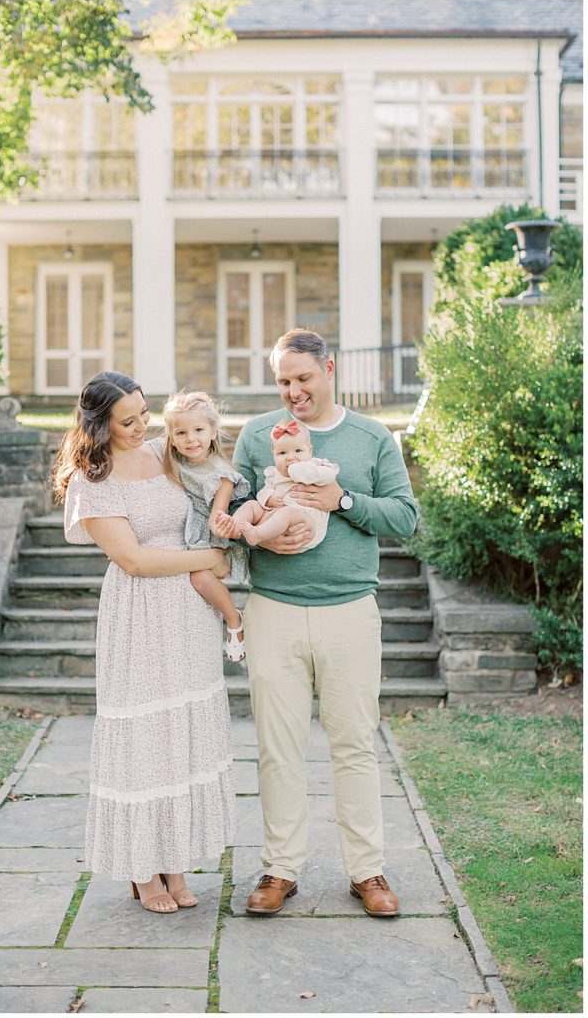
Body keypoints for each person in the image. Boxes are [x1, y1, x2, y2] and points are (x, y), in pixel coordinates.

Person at [227, 329, 418, 917]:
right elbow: (232, 508)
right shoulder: (259, 435)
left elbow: (406, 518)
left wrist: (342, 501)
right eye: (283, 381)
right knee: (276, 747)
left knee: (354, 744)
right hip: (274, 611)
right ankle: (280, 870)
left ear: (329, 369)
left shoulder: (371, 437)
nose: (293, 392)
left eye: (303, 378)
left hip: (349, 612)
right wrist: (257, 526)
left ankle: (368, 872)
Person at [52, 371, 235, 914]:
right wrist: (208, 559)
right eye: (127, 421)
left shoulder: (165, 451)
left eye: (144, 414)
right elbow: (132, 559)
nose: (141, 427)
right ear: (99, 425)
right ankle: (140, 869)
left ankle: (173, 859)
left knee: (182, 732)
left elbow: (221, 472)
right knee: (145, 734)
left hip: (189, 614)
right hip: (139, 613)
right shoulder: (94, 478)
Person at [163, 389, 250, 662]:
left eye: (199, 430)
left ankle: (234, 620)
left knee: (199, 577)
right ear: (172, 438)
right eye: (181, 433)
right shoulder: (170, 461)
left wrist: (221, 526)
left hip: (212, 536)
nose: (191, 439)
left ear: (213, 431)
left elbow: (217, 515)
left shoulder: (221, 473)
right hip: (182, 529)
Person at [215, 418, 339, 550]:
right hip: (274, 517)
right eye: (282, 453)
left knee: (288, 512)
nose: (290, 457)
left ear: (309, 451)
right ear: (273, 455)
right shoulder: (274, 474)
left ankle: (257, 534)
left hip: (305, 523)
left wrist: (301, 471)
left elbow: (329, 477)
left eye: (298, 451)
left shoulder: (316, 465)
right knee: (252, 505)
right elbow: (263, 493)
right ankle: (234, 526)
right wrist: (270, 498)